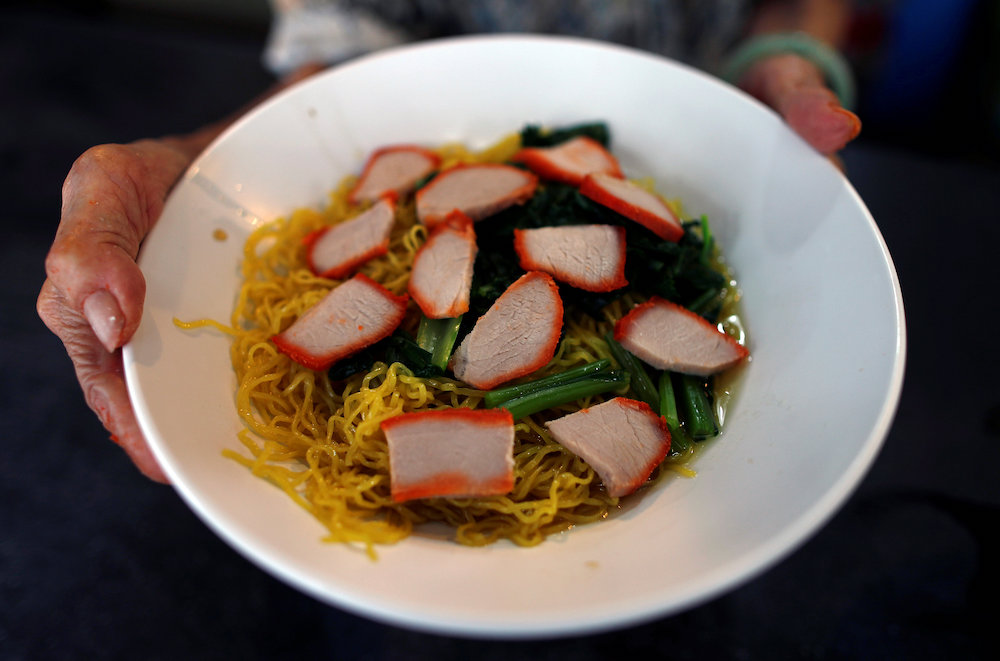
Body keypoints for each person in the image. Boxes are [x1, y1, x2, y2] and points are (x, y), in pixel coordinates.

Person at [37, 0, 862, 484]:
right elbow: (351, 39)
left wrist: (781, 58)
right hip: (418, 126)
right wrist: (216, 168)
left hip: (706, 112)